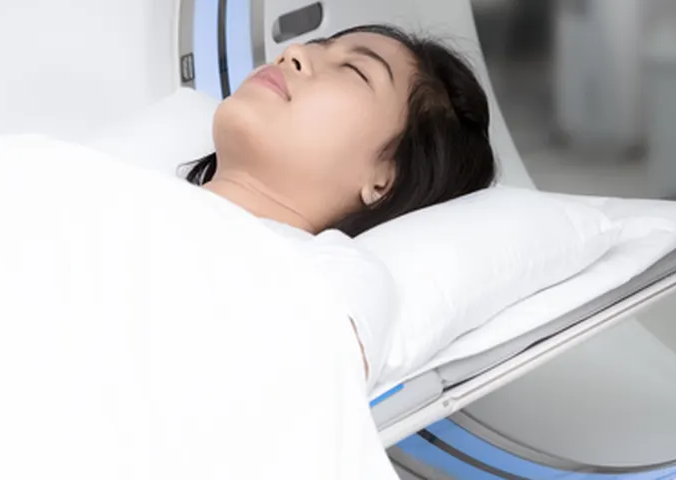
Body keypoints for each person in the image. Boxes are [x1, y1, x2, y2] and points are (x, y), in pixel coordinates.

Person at [181, 23, 497, 381]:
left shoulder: (331, 276)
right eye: (316, 44)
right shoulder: (132, 192)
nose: (294, 52)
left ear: (384, 180)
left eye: (354, 70)